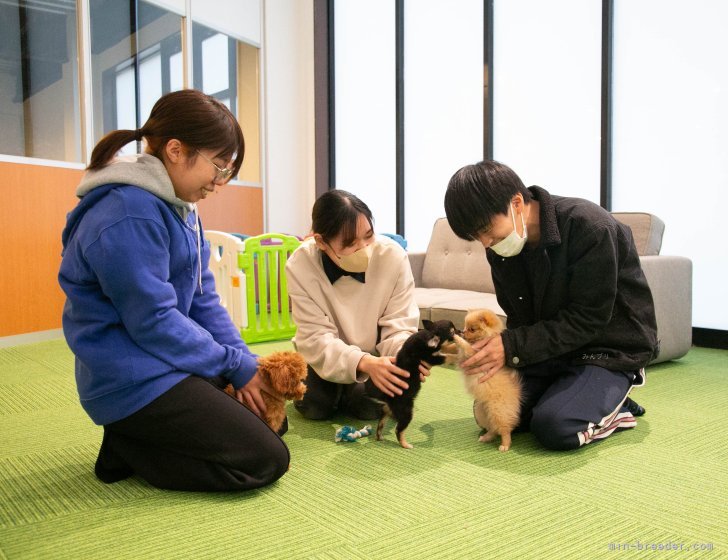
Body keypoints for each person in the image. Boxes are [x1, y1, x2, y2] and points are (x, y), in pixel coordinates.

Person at [58, 89, 289, 491]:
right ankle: (128, 444)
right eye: (218, 167)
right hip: (131, 378)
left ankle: (138, 437)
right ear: (177, 150)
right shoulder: (127, 211)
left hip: (166, 361)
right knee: (266, 461)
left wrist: (246, 363)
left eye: (227, 171)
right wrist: (232, 367)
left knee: (273, 421)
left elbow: (204, 300)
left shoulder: (182, 207)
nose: (219, 183)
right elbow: (154, 321)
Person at [444, 160, 658, 450]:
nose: (485, 242)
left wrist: (512, 347)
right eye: (475, 236)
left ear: (517, 203)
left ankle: (618, 406)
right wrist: (496, 354)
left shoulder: (590, 227)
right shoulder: (501, 247)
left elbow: (588, 319)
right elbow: (520, 318)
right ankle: (588, 398)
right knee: (491, 415)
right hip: (554, 352)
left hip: (606, 349)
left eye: (486, 229)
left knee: (555, 427)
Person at [286, 190, 423, 420]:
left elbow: (399, 323)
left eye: (369, 235)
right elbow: (315, 337)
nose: (363, 247)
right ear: (321, 241)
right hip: (325, 357)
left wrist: (404, 355)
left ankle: (350, 391)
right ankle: (338, 390)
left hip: (375, 358)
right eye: (350, 243)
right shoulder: (301, 265)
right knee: (316, 406)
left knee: (370, 408)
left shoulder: (393, 257)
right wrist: (361, 362)